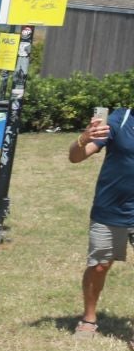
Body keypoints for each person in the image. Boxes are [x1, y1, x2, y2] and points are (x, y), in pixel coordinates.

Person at [70, 108, 134, 337]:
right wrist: (83, 138)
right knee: (99, 265)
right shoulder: (120, 119)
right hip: (112, 206)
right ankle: (89, 319)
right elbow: (76, 157)